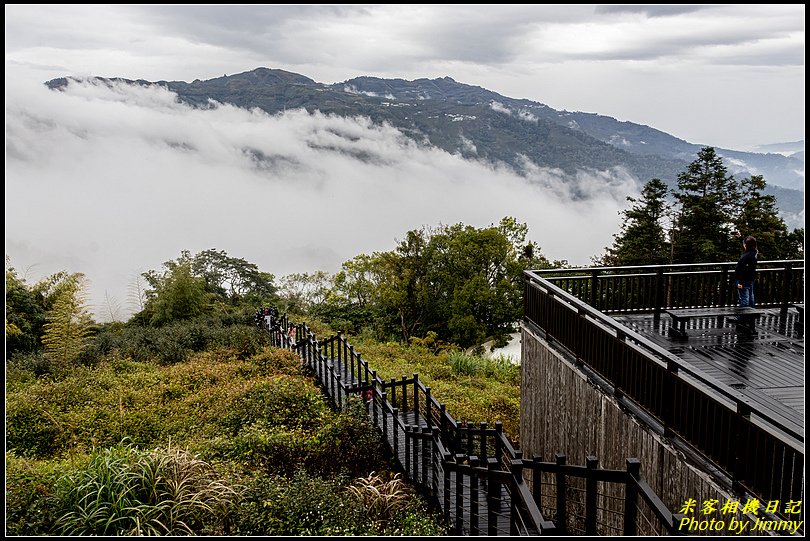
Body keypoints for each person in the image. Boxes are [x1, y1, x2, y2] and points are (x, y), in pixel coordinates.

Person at [733, 235, 758, 326]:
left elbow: (742, 270)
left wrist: (739, 282)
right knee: (751, 297)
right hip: (750, 279)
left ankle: (742, 317)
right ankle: (751, 314)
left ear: (746, 245)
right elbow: (746, 248)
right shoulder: (754, 253)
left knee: (744, 298)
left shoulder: (746, 257)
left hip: (743, 281)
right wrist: (740, 238)